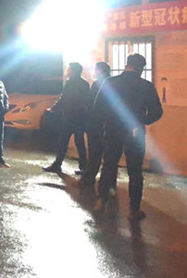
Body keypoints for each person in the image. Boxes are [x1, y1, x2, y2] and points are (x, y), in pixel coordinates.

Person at [93, 54, 162, 221]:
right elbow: (157, 112)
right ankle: (134, 210)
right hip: (134, 132)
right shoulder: (146, 86)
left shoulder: (110, 82)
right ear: (141, 68)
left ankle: (101, 201)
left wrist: (107, 121)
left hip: (112, 129)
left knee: (108, 165)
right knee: (135, 171)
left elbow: (98, 107)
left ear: (127, 65)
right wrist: (142, 120)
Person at [43, 62, 91, 173]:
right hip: (69, 117)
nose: (67, 71)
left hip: (77, 118)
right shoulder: (70, 83)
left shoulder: (82, 84)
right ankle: (59, 165)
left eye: (69, 69)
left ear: (74, 71)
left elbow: (83, 101)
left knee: (78, 143)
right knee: (64, 142)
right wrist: (54, 108)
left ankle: (82, 167)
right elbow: (63, 97)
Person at [79, 62, 111, 187]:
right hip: (109, 123)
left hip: (96, 123)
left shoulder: (98, 84)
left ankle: (88, 179)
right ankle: (109, 183)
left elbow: (91, 104)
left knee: (94, 153)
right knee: (108, 155)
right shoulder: (113, 82)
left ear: (99, 71)